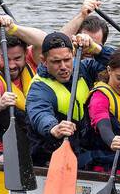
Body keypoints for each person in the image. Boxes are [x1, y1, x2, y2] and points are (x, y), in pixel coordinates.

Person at [24, 31, 113, 167]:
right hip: (49, 152)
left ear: (73, 55)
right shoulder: (39, 89)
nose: (63, 67)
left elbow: (118, 65)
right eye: (56, 62)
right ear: (44, 61)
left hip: (82, 145)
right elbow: (39, 114)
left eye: (67, 60)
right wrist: (54, 128)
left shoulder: (84, 69)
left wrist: (97, 49)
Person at [0, 19, 52, 162]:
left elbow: (44, 41)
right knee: (12, 160)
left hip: (31, 144)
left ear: (25, 53)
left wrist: (14, 28)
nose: (11, 65)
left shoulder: (31, 60)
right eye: (6, 58)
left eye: (17, 58)